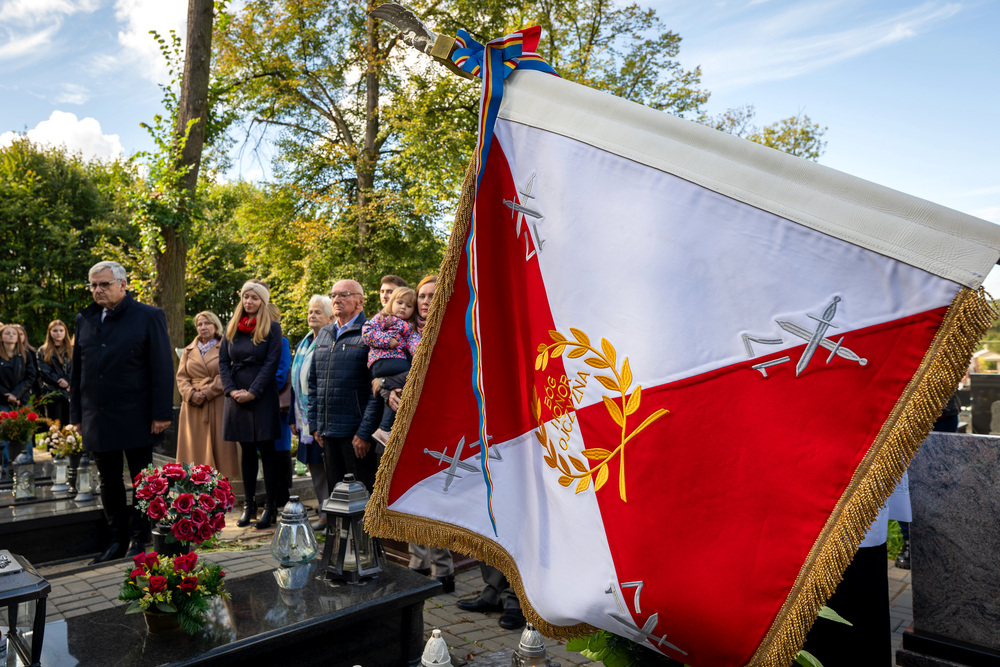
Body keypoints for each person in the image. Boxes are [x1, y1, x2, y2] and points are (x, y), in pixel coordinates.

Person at [70, 260, 173, 564]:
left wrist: (161, 413)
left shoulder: (148, 316)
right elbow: (78, 370)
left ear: (123, 285)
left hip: (137, 414)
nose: (97, 290)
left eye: (104, 284)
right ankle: (116, 539)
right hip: (98, 416)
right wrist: (76, 415)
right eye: (93, 285)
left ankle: (140, 538)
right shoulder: (85, 319)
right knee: (108, 480)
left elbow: (162, 368)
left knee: (143, 480)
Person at [218, 280, 283, 529]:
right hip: (237, 397)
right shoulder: (232, 327)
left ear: (262, 302)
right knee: (246, 452)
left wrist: (253, 392)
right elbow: (223, 361)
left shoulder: (272, 328)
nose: (249, 302)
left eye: (254, 298)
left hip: (262, 396)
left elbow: (271, 364)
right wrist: (232, 390)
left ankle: (271, 507)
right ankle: (250, 505)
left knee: (267, 452)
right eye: (245, 297)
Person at [308, 279, 380, 491]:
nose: (336, 299)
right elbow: (313, 384)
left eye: (344, 294)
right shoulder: (324, 334)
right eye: (333, 295)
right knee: (335, 499)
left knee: (361, 500)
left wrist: (365, 433)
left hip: (356, 437)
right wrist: (316, 426)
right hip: (328, 434)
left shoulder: (370, 333)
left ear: (360, 302)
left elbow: (374, 391)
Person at [175, 311, 240, 482]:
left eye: (207, 323)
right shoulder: (188, 351)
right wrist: (190, 394)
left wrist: (206, 392)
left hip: (216, 402)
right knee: (194, 450)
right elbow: (181, 377)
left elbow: (228, 372)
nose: (203, 327)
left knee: (219, 448)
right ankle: (195, 489)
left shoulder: (225, 346)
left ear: (215, 325)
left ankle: (219, 489)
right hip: (192, 407)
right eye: (200, 324)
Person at [290, 295, 333, 529]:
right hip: (304, 417)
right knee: (314, 466)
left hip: (322, 416)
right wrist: (292, 417)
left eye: (317, 311)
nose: (312, 315)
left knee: (327, 465)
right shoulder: (304, 343)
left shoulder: (330, 341)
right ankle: (322, 507)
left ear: (330, 317)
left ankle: (329, 512)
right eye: (309, 311)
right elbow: (296, 381)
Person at [362, 286, 419, 446]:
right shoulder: (383, 318)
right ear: (391, 303)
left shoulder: (408, 327)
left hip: (394, 364)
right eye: (400, 303)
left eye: (408, 306)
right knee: (414, 374)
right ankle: (384, 385)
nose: (403, 308)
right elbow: (367, 332)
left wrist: (418, 353)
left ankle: (384, 429)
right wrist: (387, 341)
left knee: (398, 391)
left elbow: (414, 341)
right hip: (382, 360)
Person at [0, 323, 38, 477]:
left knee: (25, 435)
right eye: (7, 333)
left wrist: (16, 394)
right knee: (4, 435)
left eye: (14, 333)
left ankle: (26, 468)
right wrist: (8, 395)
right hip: (2, 401)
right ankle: (6, 468)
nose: (11, 336)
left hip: (21, 400)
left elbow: (31, 377)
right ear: (1, 337)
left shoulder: (25, 355)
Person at [36, 320, 73, 424]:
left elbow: (76, 369)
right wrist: (59, 381)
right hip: (51, 392)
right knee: (54, 426)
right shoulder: (43, 350)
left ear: (65, 332)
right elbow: (43, 371)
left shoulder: (72, 350)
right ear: (50, 332)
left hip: (69, 392)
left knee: (68, 426)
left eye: (61, 330)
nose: (58, 333)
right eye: (55, 331)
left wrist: (68, 381)